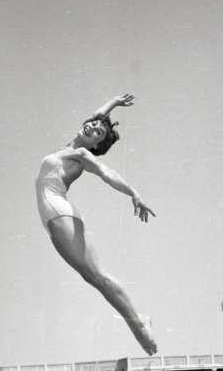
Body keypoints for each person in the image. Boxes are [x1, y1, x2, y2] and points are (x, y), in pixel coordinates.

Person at [35, 93, 158, 355]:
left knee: (97, 275)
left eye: (99, 132)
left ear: (96, 145)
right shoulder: (69, 147)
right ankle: (138, 321)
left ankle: (139, 323)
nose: (93, 127)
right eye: (93, 125)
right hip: (52, 217)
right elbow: (94, 118)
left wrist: (133, 192)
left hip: (60, 212)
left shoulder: (81, 154)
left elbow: (106, 172)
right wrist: (114, 103)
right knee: (92, 276)